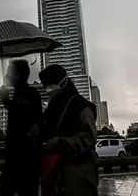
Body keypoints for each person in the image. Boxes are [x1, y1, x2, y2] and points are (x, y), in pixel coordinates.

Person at [39, 64, 98, 196]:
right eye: (45, 86)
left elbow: (88, 137)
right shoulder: (52, 108)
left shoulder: (80, 105)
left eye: (51, 85)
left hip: (78, 173)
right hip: (56, 172)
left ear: (62, 82)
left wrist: (58, 143)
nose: (48, 90)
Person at [0, 59, 43, 196]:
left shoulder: (29, 94)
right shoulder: (20, 93)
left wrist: (6, 101)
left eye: (9, 72)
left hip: (23, 161)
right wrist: (7, 102)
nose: (6, 75)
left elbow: (24, 120)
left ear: (16, 75)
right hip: (21, 160)